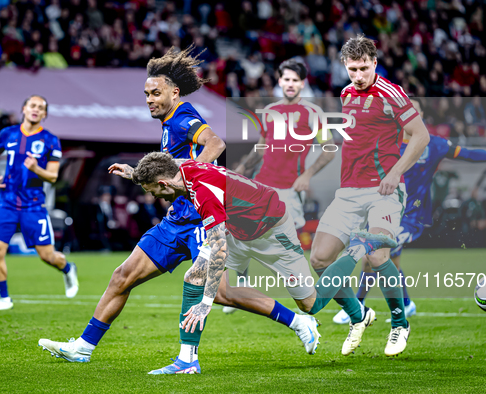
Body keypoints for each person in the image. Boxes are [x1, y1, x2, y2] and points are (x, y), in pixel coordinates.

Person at [38, 47, 322, 373]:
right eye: (146, 94)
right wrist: (140, 175)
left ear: (174, 92)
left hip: (201, 219)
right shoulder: (169, 121)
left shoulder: (184, 118)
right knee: (122, 276)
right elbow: (168, 170)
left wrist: (189, 179)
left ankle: (287, 325)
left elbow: (215, 144)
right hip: (176, 221)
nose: (149, 99)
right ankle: (83, 348)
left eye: (155, 93)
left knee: (220, 292)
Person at [131, 153, 396, 373]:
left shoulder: (204, 195)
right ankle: (187, 361)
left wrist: (205, 303)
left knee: (311, 304)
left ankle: (359, 247)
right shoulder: (182, 168)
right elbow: (165, 162)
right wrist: (135, 173)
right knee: (195, 276)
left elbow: (219, 249)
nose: (153, 196)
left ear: (165, 183)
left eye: (150, 189)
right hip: (239, 228)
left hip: (272, 232)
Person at [333, 99, 486, 324]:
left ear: (421, 115)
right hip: (383, 212)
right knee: (387, 261)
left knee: (374, 256)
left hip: (412, 217)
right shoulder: (385, 142)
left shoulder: (433, 145)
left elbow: (467, 154)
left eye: (414, 110)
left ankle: (357, 306)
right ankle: (404, 304)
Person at [308, 34, 431, 357]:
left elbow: (421, 136)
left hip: (383, 192)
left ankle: (399, 323)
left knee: (376, 256)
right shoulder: (346, 93)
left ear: (375, 63)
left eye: (364, 68)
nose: (358, 76)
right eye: (352, 70)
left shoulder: (391, 93)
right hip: (348, 193)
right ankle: (358, 316)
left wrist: (394, 173)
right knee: (319, 259)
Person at [0, 95, 78, 311]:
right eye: (32, 106)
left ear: (44, 115)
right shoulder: (8, 134)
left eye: (41, 108)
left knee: (47, 256)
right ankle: (4, 298)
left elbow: (53, 177)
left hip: (33, 205)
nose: (35, 110)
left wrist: (36, 169)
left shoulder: (51, 140)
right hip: (6, 201)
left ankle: (68, 268)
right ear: (24, 109)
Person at [235, 58, 336, 230]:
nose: (290, 84)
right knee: (251, 241)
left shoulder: (313, 113)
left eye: (295, 80)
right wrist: (242, 168)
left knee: (284, 246)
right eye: (287, 79)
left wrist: (307, 175)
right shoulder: (269, 112)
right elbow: (261, 147)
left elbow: (330, 150)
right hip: (262, 185)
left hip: (290, 189)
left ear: (302, 83)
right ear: (280, 81)